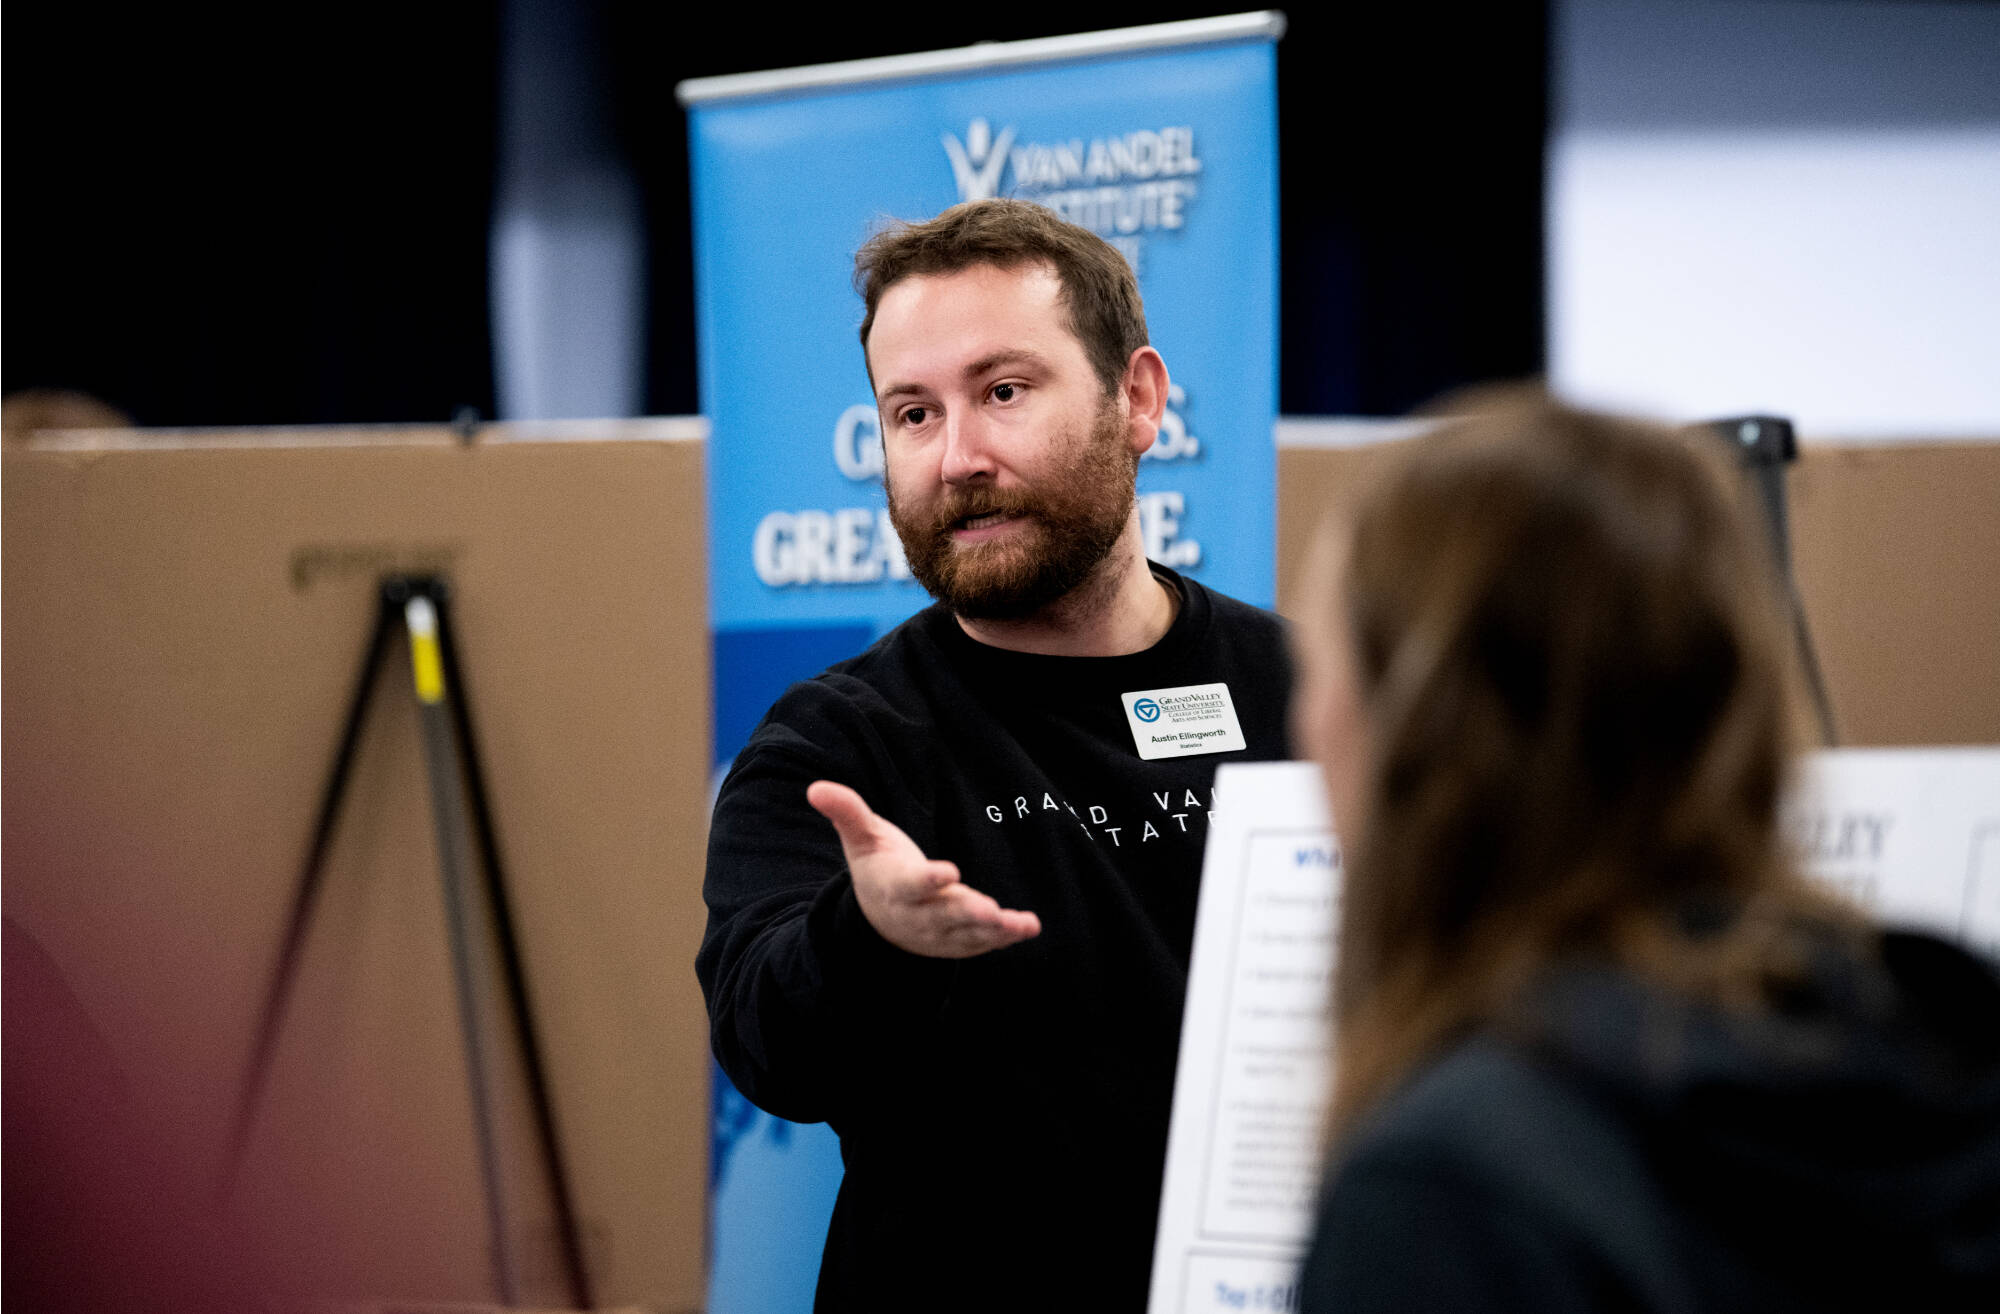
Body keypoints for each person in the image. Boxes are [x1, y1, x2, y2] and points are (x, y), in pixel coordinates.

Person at [697, 198, 1292, 1310]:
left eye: (1002, 393)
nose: (956, 457)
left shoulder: (1310, 696)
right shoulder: (835, 749)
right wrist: (868, 935)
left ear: (1138, 400)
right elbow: (767, 1047)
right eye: (911, 414)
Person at [1290, 390, 2000, 1312]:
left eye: (1319, 669)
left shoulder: (1455, 1186)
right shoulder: (1944, 1037)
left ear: (1419, 726)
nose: (1304, 720)